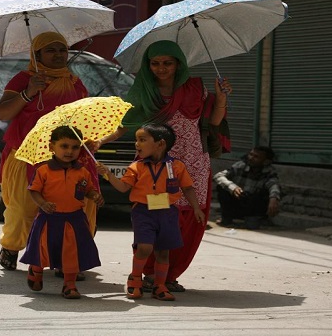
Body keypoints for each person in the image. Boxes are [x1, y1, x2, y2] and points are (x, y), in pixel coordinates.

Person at [97, 40, 232, 292]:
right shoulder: (143, 91)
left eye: (167, 63)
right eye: (155, 63)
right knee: (156, 217)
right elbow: (126, 124)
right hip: (154, 168)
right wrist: (101, 141)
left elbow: (214, 121)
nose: (161, 68)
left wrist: (221, 99)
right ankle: (149, 274)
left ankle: (169, 276)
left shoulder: (196, 88)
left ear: (178, 64)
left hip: (193, 164)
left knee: (189, 220)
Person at [0, 31, 99, 277]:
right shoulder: (24, 79)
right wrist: (28, 92)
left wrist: (89, 139)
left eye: (62, 49)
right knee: (23, 209)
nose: (58, 55)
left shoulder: (75, 83)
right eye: (50, 50)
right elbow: (3, 113)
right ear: (37, 54)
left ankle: (70, 257)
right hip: (27, 154)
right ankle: (11, 247)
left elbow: (81, 118)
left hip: (69, 157)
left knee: (80, 207)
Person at [96, 124, 204, 301]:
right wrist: (107, 174)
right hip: (143, 212)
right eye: (137, 140)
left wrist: (196, 208)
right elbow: (123, 187)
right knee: (145, 247)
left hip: (168, 213)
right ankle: (135, 279)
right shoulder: (136, 167)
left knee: (163, 252)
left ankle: (159, 286)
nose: (137, 144)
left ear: (160, 144)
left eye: (142, 140)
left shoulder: (176, 166)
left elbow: (188, 188)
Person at [21, 126, 104, 299]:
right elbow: (34, 190)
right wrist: (43, 204)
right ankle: (36, 270)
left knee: (71, 252)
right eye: (64, 146)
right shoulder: (43, 170)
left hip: (74, 219)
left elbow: (87, 189)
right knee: (43, 250)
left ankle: (69, 285)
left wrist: (95, 195)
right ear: (52, 147)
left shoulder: (82, 171)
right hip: (48, 218)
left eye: (75, 147)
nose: (69, 151)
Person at [213, 146, 281, 229]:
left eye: (256, 157)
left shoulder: (269, 171)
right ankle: (227, 220)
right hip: (237, 201)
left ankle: (259, 219)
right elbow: (218, 176)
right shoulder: (240, 165)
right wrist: (232, 187)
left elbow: (274, 185)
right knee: (222, 187)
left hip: (252, 205)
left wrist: (274, 198)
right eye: (251, 154)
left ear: (265, 161)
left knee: (267, 194)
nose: (251, 158)